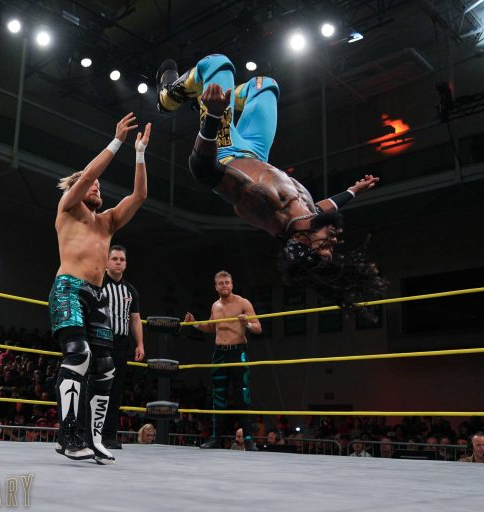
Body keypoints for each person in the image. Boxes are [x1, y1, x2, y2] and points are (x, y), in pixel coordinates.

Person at [157, 55, 385, 307]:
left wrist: (212, 116)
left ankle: (169, 96)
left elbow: (203, 169)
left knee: (218, 65)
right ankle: (209, 96)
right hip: (256, 151)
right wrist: (352, 191)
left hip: (225, 150)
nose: (332, 242)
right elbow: (325, 208)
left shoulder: (263, 205)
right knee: (265, 86)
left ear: (301, 241)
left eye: (324, 248)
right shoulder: (306, 216)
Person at [49, 113, 151, 464]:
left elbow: (139, 195)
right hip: (68, 288)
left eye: (98, 188)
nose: (97, 188)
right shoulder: (67, 209)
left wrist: (139, 153)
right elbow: (90, 175)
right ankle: (68, 435)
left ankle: (94, 438)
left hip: (97, 295)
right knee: (78, 354)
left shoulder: (107, 223)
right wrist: (117, 140)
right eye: (92, 186)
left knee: (106, 366)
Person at [184, 270, 261, 450]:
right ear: (216, 287)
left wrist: (247, 323)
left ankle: (248, 440)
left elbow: (258, 328)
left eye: (227, 282)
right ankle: (215, 438)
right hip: (219, 353)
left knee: (242, 395)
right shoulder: (215, 306)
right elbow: (211, 327)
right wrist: (194, 323)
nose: (224, 285)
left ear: (232, 284)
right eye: (221, 283)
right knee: (218, 396)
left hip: (238, 352)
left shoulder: (243, 303)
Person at [101, 244, 145, 450]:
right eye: (115, 259)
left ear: (126, 264)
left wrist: (140, 344)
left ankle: (109, 435)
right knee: (95, 385)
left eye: (122, 259)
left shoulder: (130, 290)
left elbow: (135, 319)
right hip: (99, 341)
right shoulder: (97, 283)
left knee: (116, 389)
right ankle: (87, 432)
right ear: (107, 261)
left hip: (121, 343)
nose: (118, 262)